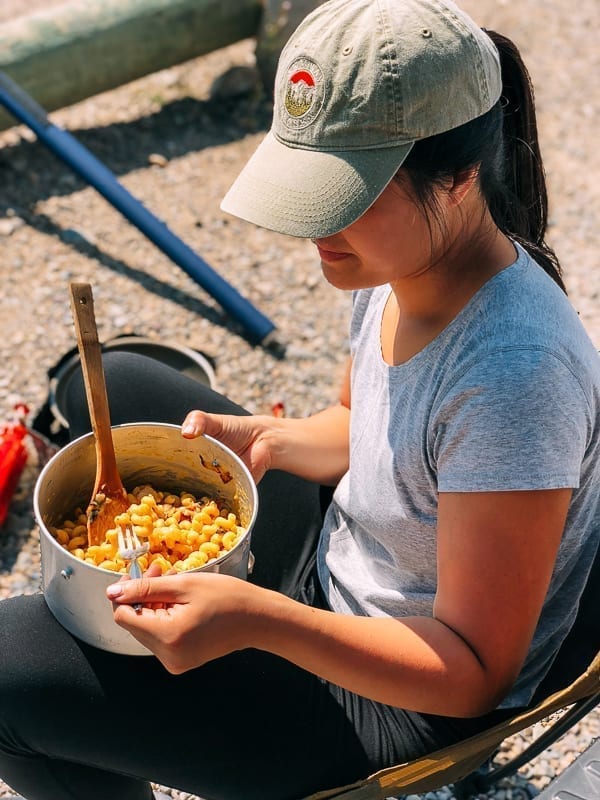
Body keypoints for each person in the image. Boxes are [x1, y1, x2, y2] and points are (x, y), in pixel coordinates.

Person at [1, 0, 599, 799]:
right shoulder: (404, 261)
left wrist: (254, 620)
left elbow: (473, 674)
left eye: (344, 194)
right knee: (109, 382)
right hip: (353, 560)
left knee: (6, 669)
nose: (313, 228)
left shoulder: (514, 377)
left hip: (405, 690)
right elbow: (360, 423)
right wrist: (269, 441)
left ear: (457, 178)